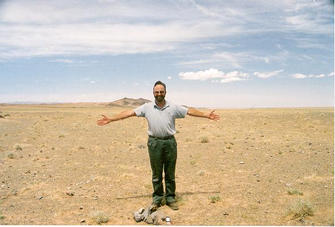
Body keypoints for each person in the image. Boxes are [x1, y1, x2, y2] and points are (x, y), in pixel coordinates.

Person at [97, 81, 220, 210]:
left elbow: (189, 111)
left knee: (170, 173)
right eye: (157, 92)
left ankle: (170, 198)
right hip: (154, 143)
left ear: (165, 92)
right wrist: (111, 119)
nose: (159, 94)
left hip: (169, 142)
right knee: (156, 174)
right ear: (153, 93)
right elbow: (129, 113)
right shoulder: (147, 107)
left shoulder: (173, 107)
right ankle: (157, 198)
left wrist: (206, 115)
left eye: (161, 91)